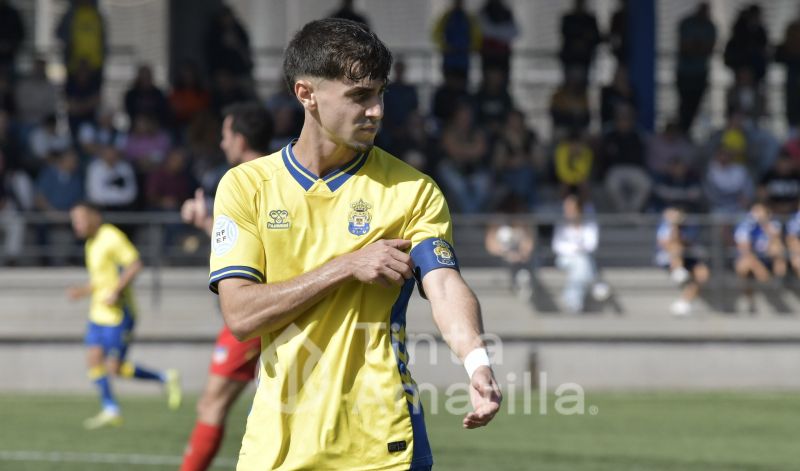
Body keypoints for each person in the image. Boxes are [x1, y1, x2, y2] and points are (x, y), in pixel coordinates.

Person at [210, 19, 501, 470]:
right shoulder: (246, 186)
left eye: (380, 93)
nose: (377, 110)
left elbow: (444, 284)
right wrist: (346, 266)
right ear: (306, 94)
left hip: (381, 448)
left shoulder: (412, 190)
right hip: (274, 449)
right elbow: (241, 315)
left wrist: (476, 361)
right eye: (359, 95)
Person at [178, 102, 273, 471]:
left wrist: (206, 221)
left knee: (212, 403)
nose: (221, 143)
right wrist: (208, 223)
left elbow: (248, 252)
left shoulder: (242, 181)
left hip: (254, 308)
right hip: (275, 305)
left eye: (225, 135)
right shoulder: (283, 175)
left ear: (241, 139)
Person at [66, 202, 181, 429]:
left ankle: (164, 378)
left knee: (114, 367)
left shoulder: (111, 236)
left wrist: (117, 291)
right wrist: (83, 291)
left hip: (119, 314)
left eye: (80, 219)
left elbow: (135, 264)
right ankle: (111, 409)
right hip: (98, 314)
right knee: (93, 359)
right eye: (74, 221)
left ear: (94, 217)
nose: (76, 225)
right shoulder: (91, 243)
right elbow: (100, 280)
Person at [552, 194, 609, 313]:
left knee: (580, 264)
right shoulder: (561, 223)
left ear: (578, 209)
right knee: (582, 261)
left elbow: (591, 244)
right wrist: (576, 249)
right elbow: (557, 246)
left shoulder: (589, 223)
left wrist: (577, 249)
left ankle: (572, 301)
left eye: (571, 208)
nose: (568, 211)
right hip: (565, 259)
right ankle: (594, 281)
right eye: (566, 208)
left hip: (583, 259)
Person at [654, 207, 710, 316]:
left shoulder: (690, 225)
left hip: (689, 256)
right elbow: (665, 244)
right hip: (670, 258)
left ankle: (684, 301)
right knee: (676, 248)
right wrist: (673, 227)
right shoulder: (664, 226)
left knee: (703, 274)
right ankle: (677, 270)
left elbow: (689, 242)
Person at [734, 202, 786, 312]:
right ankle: (750, 299)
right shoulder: (745, 226)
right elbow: (744, 250)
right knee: (743, 265)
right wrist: (759, 268)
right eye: (754, 211)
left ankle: (779, 281)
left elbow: (777, 243)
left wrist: (765, 226)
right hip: (753, 259)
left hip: (768, 258)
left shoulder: (773, 224)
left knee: (777, 249)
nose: (756, 214)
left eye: (759, 211)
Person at [675, 2, 716, 133]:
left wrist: (695, 46)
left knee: (695, 106)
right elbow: (684, 47)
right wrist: (698, 47)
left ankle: (687, 131)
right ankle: (682, 131)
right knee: (684, 105)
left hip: (700, 74)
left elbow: (709, 49)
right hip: (684, 73)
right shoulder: (686, 23)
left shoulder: (710, 27)